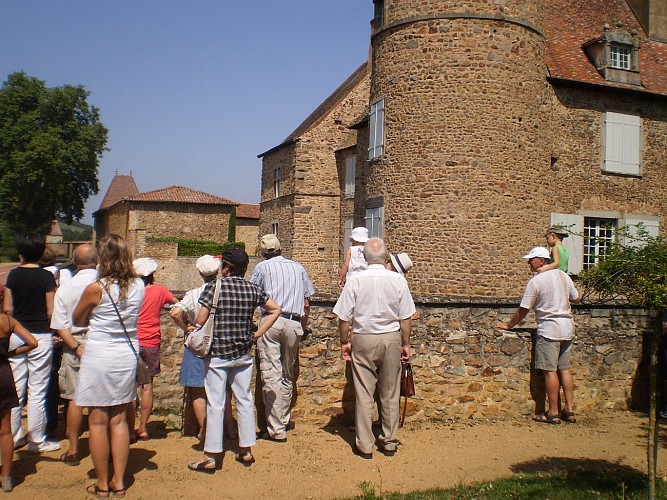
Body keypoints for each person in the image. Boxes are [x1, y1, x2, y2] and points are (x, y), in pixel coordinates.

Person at [188, 246, 281, 471]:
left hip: (218, 354)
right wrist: (257, 333)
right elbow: (275, 309)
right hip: (242, 353)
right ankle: (246, 450)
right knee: (244, 400)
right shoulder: (252, 289)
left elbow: (201, 319)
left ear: (227, 267)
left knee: (216, 403)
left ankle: (211, 455)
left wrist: (194, 326)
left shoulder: (213, 287)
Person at [73, 234, 145, 497]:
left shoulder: (96, 288)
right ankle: (119, 481)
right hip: (126, 355)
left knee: (98, 421)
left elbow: (78, 320)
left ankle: (102, 483)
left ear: (103, 257)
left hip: (99, 355)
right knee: (119, 420)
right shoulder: (139, 286)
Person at [334, 238, 415, 458]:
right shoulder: (398, 281)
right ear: (385, 256)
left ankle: (365, 444)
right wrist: (406, 344)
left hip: (364, 336)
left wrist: (344, 342)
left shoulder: (356, 280)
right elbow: (406, 317)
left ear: (366, 256)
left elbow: (343, 317)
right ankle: (389, 441)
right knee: (390, 392)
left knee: (364, 393)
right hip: (390, 337)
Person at [496, 246, 580, 424]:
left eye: (531, 259)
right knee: (564, 369)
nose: (529, 262)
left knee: (550, 372)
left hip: (550, 330)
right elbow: (576, 297)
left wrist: (509, 324)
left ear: (542, 260)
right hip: (567, 328)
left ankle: (553, 412)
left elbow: (524, 308)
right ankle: (570, 409)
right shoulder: (563, 276)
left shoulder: (536, 281)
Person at [251, 234, 315, 442]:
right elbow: (306, 303)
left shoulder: (262, 268)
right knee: (288, 374)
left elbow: (253, 295)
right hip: (293, 322)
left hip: (271, 320)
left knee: (271, 373)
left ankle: (275, 428)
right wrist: (302, 328)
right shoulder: (298, 267)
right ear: (280, 248)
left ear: (263, 253)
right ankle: (283, 419)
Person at [4, 232, 60, 453]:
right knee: (37, 388)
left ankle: (14, 435)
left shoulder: (13, 276)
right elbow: (50, 311)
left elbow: (7, 308)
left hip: (17, 333)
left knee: (16, 387)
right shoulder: (46, 277)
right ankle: (36, 439)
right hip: (40, 335)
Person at [170, 255, 237, 441]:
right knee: (223, 390)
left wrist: (187, 329)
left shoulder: (193, 294)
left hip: (197, 345)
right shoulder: (226, 292)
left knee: (198, 390)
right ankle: (229, 428)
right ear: (217, 271)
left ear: (200, 273)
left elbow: (175, 312)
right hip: (221, 344)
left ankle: (204, 429)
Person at [50, 243, 98, 465]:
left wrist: (77, 347)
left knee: (74, 399)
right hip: (101, 341)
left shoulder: (65, 288)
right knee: (103, 400)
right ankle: (106, 447)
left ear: (75, 263)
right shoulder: (105, 284)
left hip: (74, 341)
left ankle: (73, 450)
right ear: (97, 261)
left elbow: (60, 326)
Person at [130, 257, 177, 441]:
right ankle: (142, 427)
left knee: (129, 388)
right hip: (150, 341)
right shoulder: (159, 290)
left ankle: (127, 427)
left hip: (132, 341)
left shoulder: (130, 292)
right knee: (147, 386)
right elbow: (177, 304)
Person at [0, 313, 38, 492]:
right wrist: (9, 353)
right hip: (3, 375)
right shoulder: (8, 321)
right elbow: (33, 343)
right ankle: (6, 476)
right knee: (5, 430)